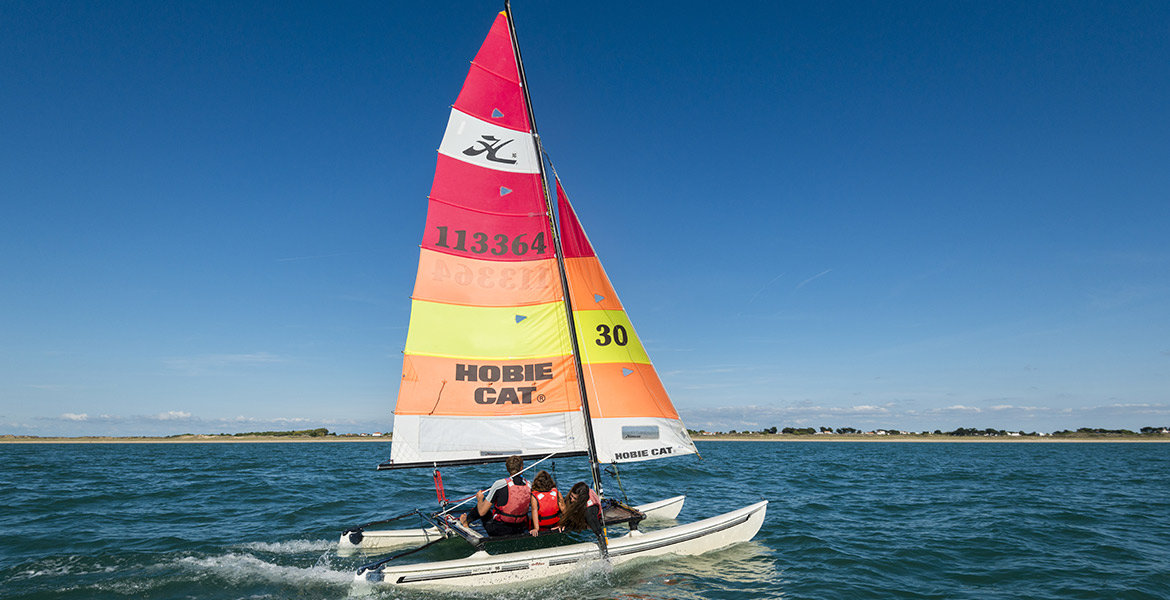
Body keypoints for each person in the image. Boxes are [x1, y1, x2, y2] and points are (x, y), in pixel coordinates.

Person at [459, 455, 531, 537]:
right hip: (519, 529)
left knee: (482, 508)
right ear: (521, 468)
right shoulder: (529, 485)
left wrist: (479, 499)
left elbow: (482, 512)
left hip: (498, 531)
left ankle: (465, 523)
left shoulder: (499, 484)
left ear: (507, 469)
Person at [528, 470, 561, 536]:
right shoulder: (557, 493)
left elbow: (534, 512)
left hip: (542, 527)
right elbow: (563, 509)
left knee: (528, 517)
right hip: (555, 524)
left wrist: (536, 529)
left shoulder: (534, 496)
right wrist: (563, 524)